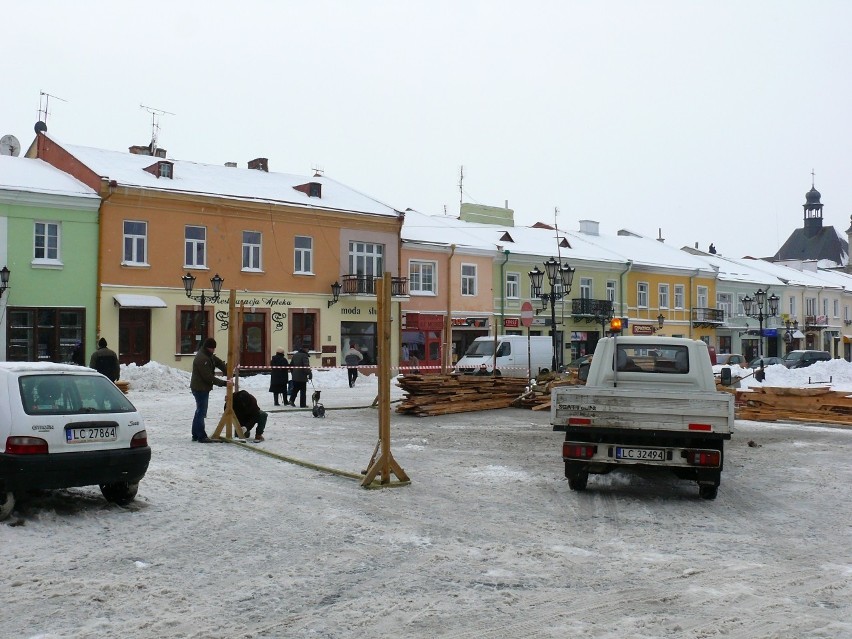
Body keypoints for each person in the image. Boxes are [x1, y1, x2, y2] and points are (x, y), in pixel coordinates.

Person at [190, 337, 230, 443]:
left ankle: (195, 434)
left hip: (201, 387)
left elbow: (218, 362)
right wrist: (224, 383)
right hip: (200, 388)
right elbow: (208, 377)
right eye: (213, 348)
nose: (214, 351)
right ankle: (201, 436)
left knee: (199, 411)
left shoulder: (207, 355)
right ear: (208, 348)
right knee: (201, 412)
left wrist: (227, 370)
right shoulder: (202, 359)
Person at [287, 343, 312, 408]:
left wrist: (293, 373)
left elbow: (291, 365)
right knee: (303, 391)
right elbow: (306, 366)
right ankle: (302, 404)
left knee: (295, 389)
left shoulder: (295, 355)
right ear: (305, 349)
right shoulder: (304, 356)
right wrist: (309, 373)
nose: (308, 350)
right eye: (308, 349)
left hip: (295, 376)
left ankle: (291, 400)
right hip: (302, 377)